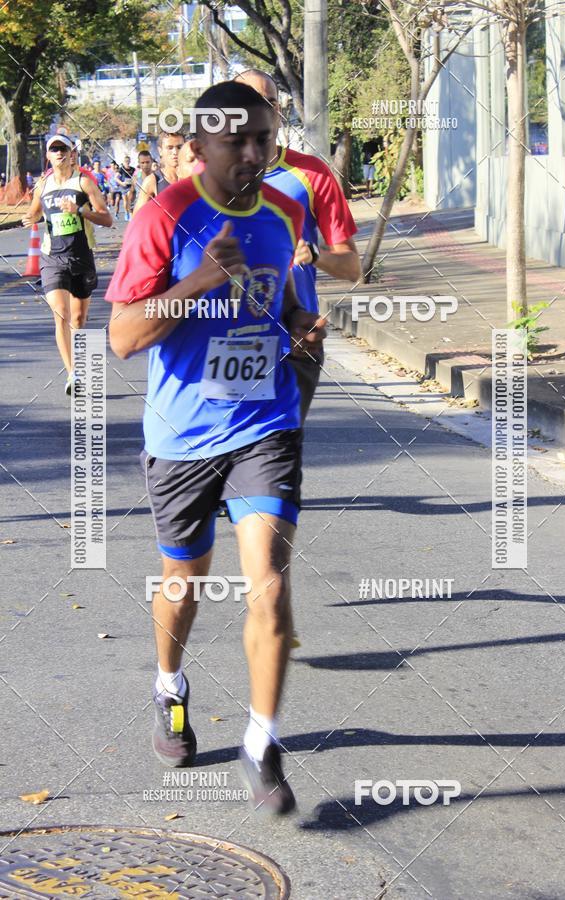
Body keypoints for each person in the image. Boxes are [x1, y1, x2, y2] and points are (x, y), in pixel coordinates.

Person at [106, 81, 326, 814]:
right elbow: (123, 337)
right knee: (185, 580)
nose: (254, 154)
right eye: (238, 142)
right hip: (183, 434)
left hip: (265, 423)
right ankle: (169, 685)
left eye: (264, 139)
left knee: (270, 583)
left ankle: (262, 742)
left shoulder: (285, 211)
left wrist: (300, 323)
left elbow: (283, 299)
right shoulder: (163, 217)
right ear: (199, 147)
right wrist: (200, 279)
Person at [234, 69, 361, 422]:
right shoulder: (209, 177)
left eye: (270, 102)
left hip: (295, 337)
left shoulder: (312, 173)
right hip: (231, 336)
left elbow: (352, 267)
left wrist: (315, 255)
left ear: (279, 111)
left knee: (279, 445)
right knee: (233, 444)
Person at [22, 134, 112, 395]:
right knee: (61, 313)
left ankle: (79, 365)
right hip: (52, 258)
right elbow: (34, 212)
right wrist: (29, 218)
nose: (59, 152)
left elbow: (106, 219)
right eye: (54, 149)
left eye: (63, 148)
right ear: (48, 155)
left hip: (81, 256)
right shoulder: (43, 184)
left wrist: (80, 211)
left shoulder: (84, 182)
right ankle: (73, 374)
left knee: (79, 319)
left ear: (72, 154)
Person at [133, 131, 183, 214]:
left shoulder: (194, 179)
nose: (175, 152)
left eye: (179, 147)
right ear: (160, 151)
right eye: (170, 148)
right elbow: (137, 218)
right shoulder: (153, 181)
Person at [119, 155, 136, 221]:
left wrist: (134, 182)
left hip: (130, 186)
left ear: (130, 161)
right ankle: (126, 212)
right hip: (123, 187)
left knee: (129, 199)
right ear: (124, 162)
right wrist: (122, 183)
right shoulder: (121, 169)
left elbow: (135, 176)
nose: (127, 162)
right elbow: (115, 178)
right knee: (125, 201)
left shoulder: (132, 169)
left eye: (128, 161)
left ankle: (130, 212)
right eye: (126, 161)